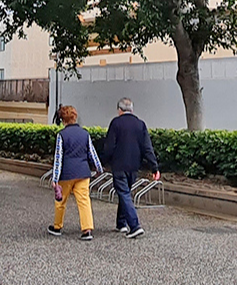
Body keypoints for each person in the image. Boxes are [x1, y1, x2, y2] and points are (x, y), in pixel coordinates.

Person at [101, 97, 159, 239]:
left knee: (124, 193)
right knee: (125, 192)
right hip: (134, 165)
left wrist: (101, 162)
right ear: (132, 110)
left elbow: (109, 146)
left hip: (119, 164)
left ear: (119, 110)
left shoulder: (116, 123)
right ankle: (121, 223)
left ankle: (134, 225)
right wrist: (154, 167)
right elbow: (147, 148)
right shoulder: (140, 124)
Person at [48, 105, 102, 241]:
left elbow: (58, 158)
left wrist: (55, 178)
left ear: (63, 120)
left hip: (66, 173)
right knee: (84, 201)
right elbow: (92, 153)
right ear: (75, 117)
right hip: (83, 172)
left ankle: (57, 226)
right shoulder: (85, 134)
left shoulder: (62, 135)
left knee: (60, 201)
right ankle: (87, 229)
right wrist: (99, 169)